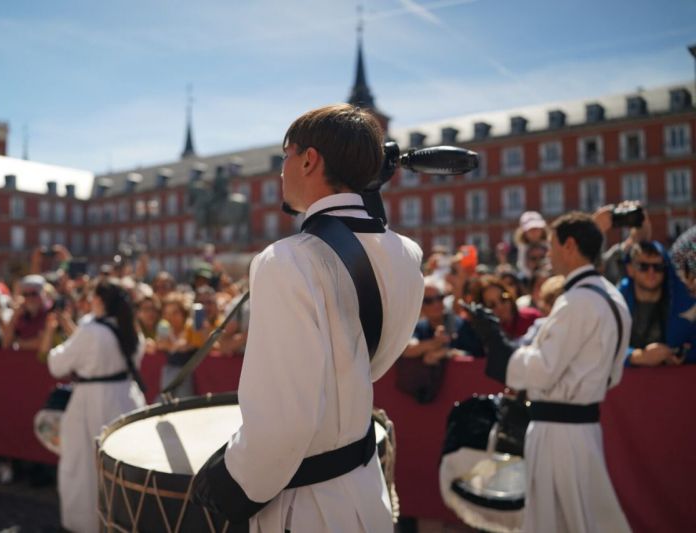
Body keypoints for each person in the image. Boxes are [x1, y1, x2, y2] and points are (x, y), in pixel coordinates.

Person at [191, 103, 424, 532]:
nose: (281, 170)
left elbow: (283, 422)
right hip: (364, 487)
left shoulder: (284, 261)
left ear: (309, 159)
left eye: (284, 156)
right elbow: (371, 364)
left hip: (304, 506)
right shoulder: (408, 253)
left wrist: (229, 482)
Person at [468, 212, 631, 532]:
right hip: (582, 427)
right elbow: (613, 373)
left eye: (552, 245)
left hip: (559, 432)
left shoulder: (576, 301)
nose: (547, 253)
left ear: (570, 245)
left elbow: (541, 370)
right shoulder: (611, 295)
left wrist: (498, 344)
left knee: (557, 522)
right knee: (584, 518)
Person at [46, 278, 146, 533]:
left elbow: (57, 364)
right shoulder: (130, 328)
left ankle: (87, 524)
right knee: (123, 467)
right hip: (126, 398)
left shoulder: (91, 330)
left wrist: (56, 343)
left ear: (100, 301)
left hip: (92, 401)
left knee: (83, 466)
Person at [619, 241, 696, 365]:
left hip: (673, 380)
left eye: (658, 267)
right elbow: (600, 347)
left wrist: (682, 355)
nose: (651, 272)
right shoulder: (616, 301)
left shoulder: (686, 303)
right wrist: (635, 356)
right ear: (630, 269)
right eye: (643, 266)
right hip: (626, 382)